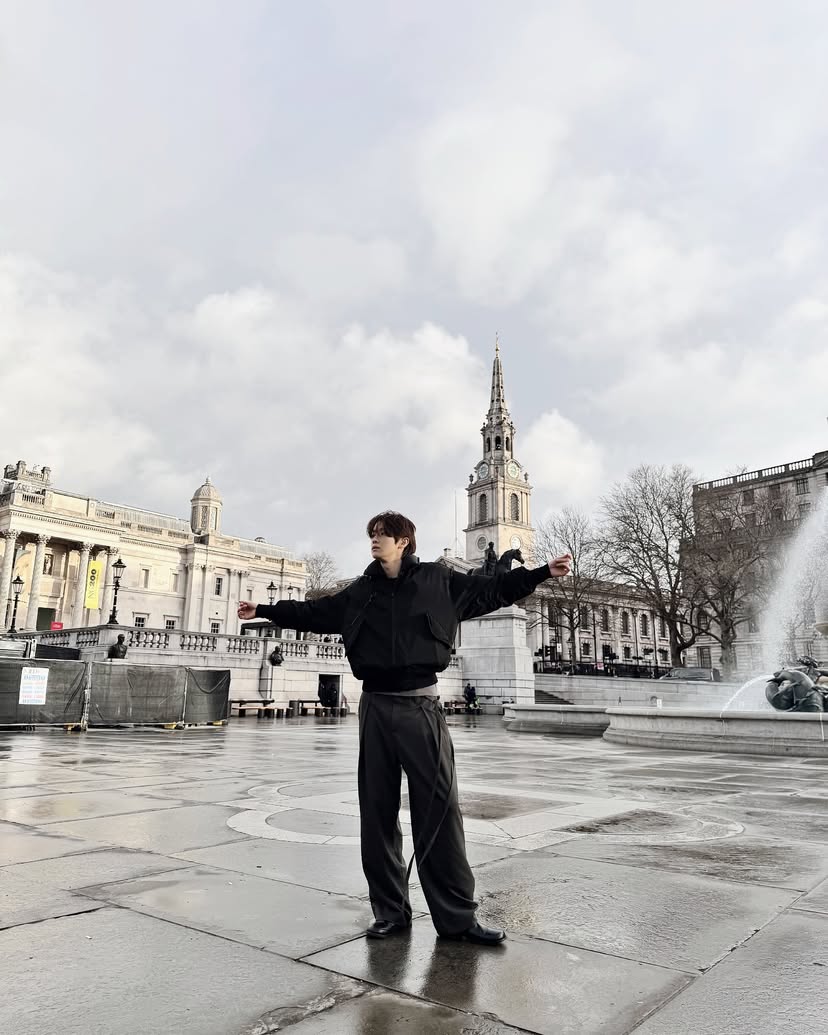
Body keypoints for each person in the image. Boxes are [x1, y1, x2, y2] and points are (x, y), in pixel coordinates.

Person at [238, 511, 571, 946]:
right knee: (376, 814)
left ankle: (457, 918)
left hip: (421, 708)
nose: (375, 541)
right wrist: (263, 609)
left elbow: (494, 589)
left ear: (405, 542)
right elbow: (315, 613)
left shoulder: (439, 581)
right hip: (374, 707)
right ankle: (390, 912)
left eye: (384, 535)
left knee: (439, 813)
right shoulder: (361, 591)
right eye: (372, 534)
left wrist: (542, 573)